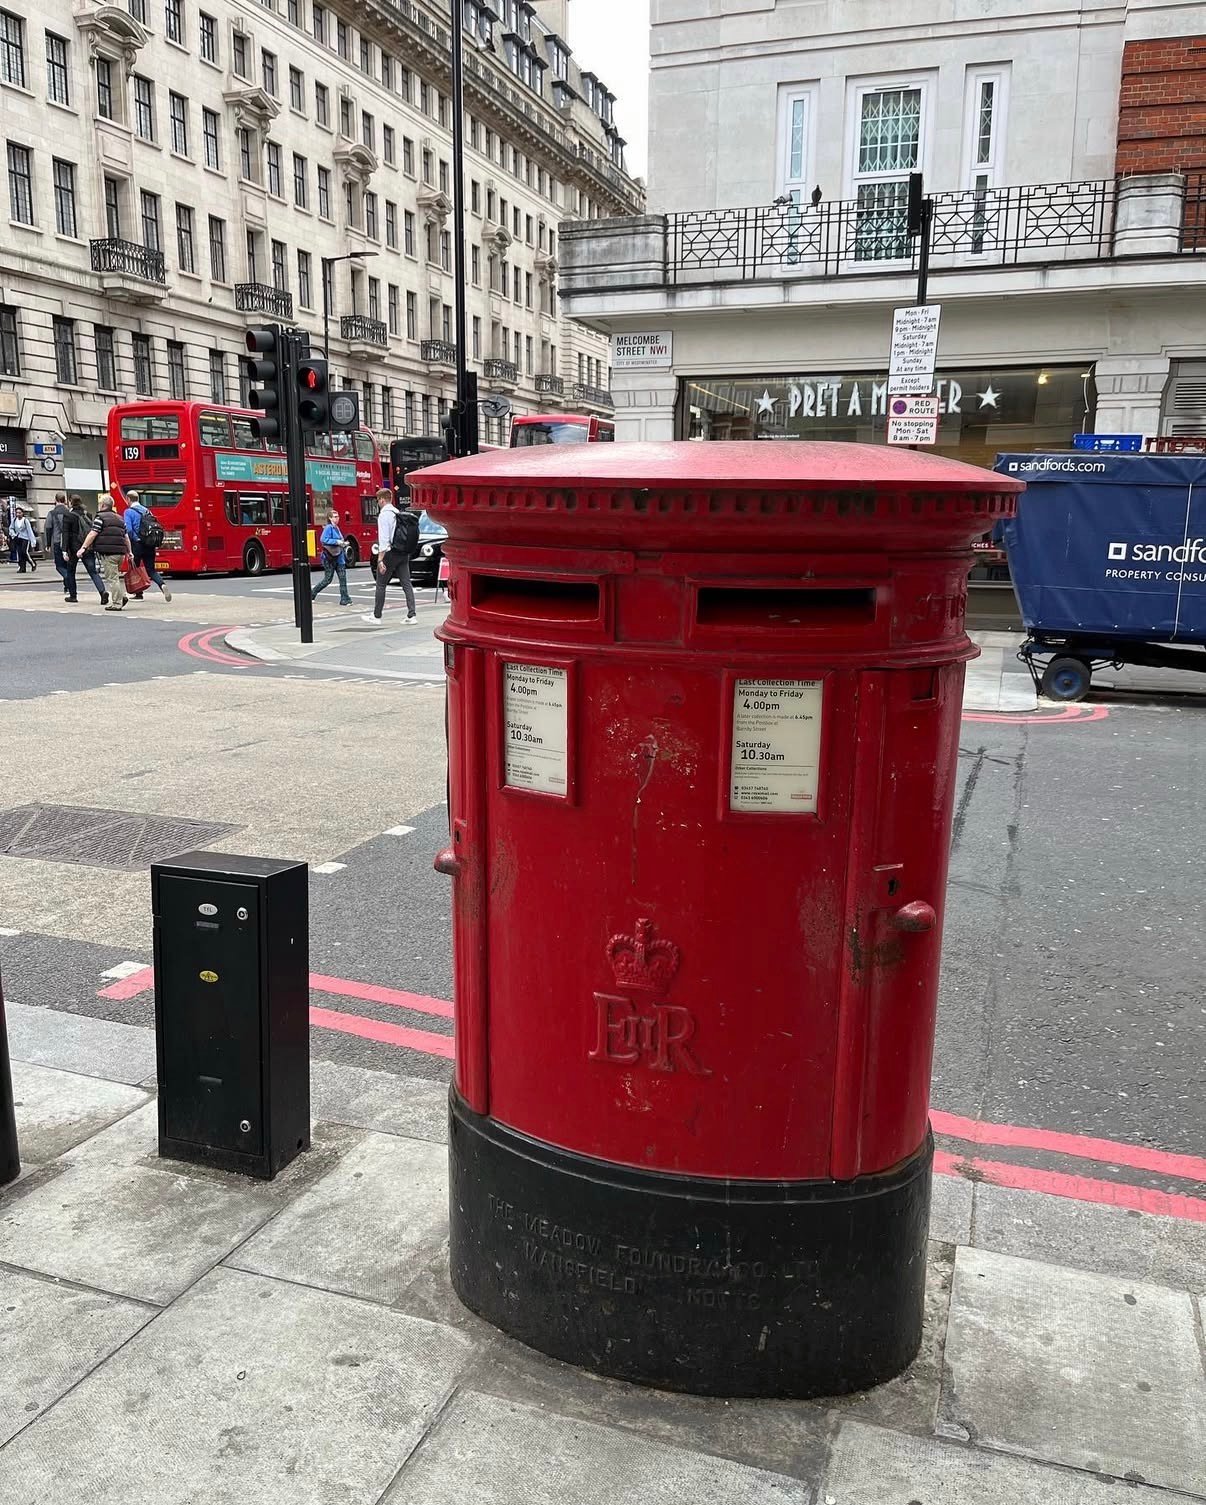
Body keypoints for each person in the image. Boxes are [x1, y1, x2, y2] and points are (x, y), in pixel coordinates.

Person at [366, 487, 418, 625]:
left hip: (390, 553)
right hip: (403, 552)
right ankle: (412, 615)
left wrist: (380, 559)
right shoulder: (398, 513)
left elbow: (384, 539)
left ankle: (376, 616)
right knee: (406, 583)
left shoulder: (384, 515)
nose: (378, 502)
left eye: (378, 500)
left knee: (381, 584)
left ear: (382, 500)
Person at [79, 494, 132, 610]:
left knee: (112, 578)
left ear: (103, 505)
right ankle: (122, 597)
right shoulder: (120, 518)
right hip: (121, 553)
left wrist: (83, 547)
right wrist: (130, 551)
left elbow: (93, 533)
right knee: (115, 577)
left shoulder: (100, 518)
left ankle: (117, 603)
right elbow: (126, 537)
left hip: (109, 553)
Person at [122, 489, 172, 602]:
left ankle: (138, 594)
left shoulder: (128, 512)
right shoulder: (147, 510)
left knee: (135, 568)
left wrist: (135, 539)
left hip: (137, 544)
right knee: (151, 569)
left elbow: (128, 530)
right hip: (149, 543)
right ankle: (162, 584)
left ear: (128, 499)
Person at [311, 509, 353, 606]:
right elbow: (323, 540)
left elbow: (340, 540)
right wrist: (336, 542)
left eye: (338, 516)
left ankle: (345, 599)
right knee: (327, 579)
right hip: (329, 558)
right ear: (330, 518)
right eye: (335, 517)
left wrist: (343, 543)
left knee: (343, 579)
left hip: (339, 557)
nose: (337, 518)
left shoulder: (336, 528)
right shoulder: (328, 528)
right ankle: (312, 593)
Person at [46, 492, 71, 596]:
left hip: (57, 541)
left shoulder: (52, 513)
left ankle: (67, 578)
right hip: (68, 542)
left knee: (59, 565)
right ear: (64, 500)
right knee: (67, 565)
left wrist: (48, 544)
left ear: (55, 500)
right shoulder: (69, 512)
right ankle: (67, 586)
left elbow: (48, 528)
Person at [9, 508, 36, 573]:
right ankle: (22, 567)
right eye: (17, 513)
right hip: (18, 538)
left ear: (22, 513)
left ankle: (32, 563)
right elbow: (11, 528)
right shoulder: (14, 520)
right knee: (19, 553)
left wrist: (33, 541)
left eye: (19, 513)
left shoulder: (25, 521)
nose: (18, 514)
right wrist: (13, 535)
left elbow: (29, 531)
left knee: (24, 552)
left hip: (25, 538)